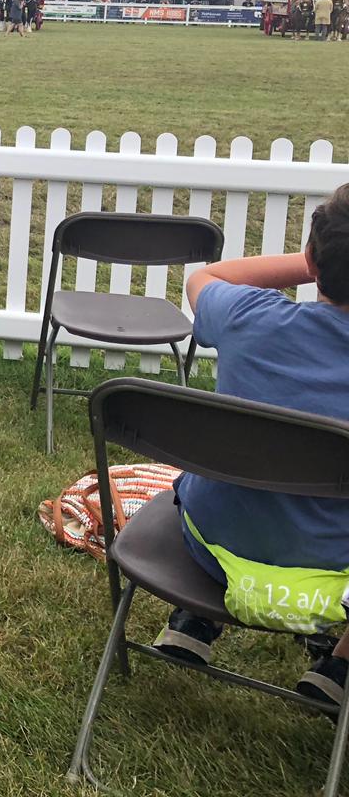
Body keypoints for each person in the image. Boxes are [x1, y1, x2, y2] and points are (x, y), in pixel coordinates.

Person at [150, 185, 349, 710]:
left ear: (313, 258)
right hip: (334, 574)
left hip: (214, 542)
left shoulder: (251, 319)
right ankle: (341, 666)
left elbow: (202, 278)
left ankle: (196, 617)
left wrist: (312, 264)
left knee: (235, 484)